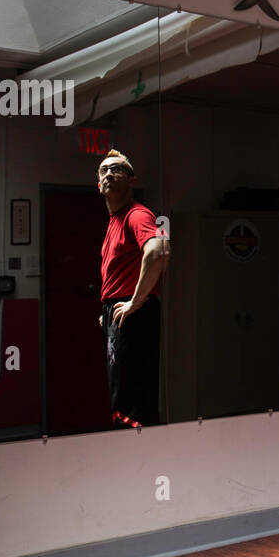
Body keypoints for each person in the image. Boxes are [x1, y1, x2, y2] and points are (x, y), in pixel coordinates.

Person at [97, 150, 169, 428]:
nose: (109, 174)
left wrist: (135, 301)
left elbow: (160, 251)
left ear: (131, 180)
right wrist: (109, 308)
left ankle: (144, 461)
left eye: (117, 169)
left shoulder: (138, 215)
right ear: (98, 184)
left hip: (135, 313)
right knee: (121, 392)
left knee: (134, 398)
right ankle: (131, 459)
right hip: (120, 311)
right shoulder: (114, 221)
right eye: (103, 171)